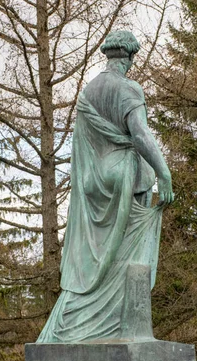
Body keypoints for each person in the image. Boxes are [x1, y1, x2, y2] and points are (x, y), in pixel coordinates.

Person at [37, 31, 174, 343]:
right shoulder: (127, 88)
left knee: (100, 257)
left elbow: (84, 144)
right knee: (129, 255)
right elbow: (139, 134)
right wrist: (163, 172)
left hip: (94, 183)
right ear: (129, 57)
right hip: (124, 176)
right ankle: (125, 329)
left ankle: (74, 324)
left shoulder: (90, 90)